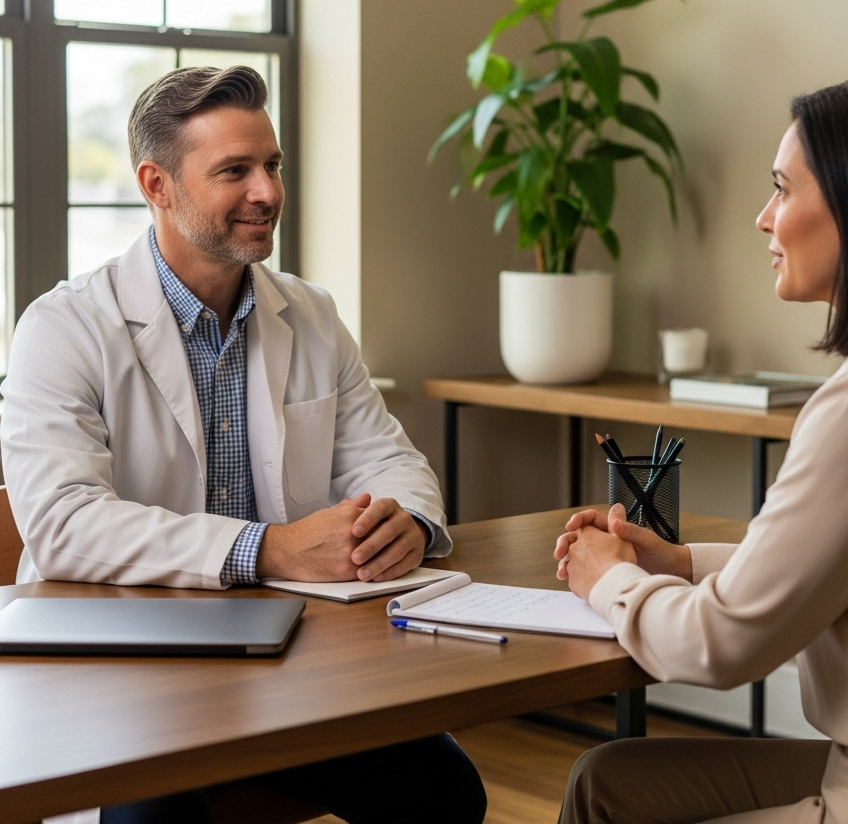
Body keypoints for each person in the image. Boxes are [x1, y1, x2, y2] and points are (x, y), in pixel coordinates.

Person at [1, 66, 486, 824]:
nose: (268, 191)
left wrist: (407, 523)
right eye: (235, 171)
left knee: (445, 790)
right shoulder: (61, 328)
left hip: (290, 661)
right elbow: (64, 525)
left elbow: (389, 460)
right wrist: (271, 549)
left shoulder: (313, 314)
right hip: (119, 676)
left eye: (273, 165)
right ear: (157, 185)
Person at [553, 78, 848, 824]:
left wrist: (607, 582)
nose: (763, 217)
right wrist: (680, 564)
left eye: (781, 190)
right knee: (607, 781)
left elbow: (717, 648)